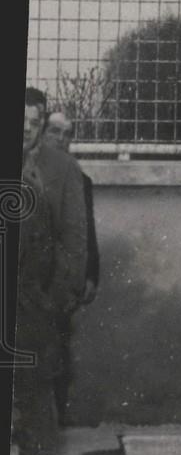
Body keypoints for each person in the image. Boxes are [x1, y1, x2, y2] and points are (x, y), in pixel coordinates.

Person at [13, 93, 85, 455]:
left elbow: (74, 243)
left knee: (40, 421)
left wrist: (53, 301)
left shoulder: (60, 171)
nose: (24, 128)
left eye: (33, 121)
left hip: (33, 315)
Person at [43, 110, 100, 427]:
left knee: (59, 362)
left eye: (67, 134)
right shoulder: (29, 173)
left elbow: (86, 231)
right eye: (54, 132)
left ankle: (51, 439)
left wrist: (91, 275)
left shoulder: (81, 180)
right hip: (30, 285)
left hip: (62, 287)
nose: (61, 140)